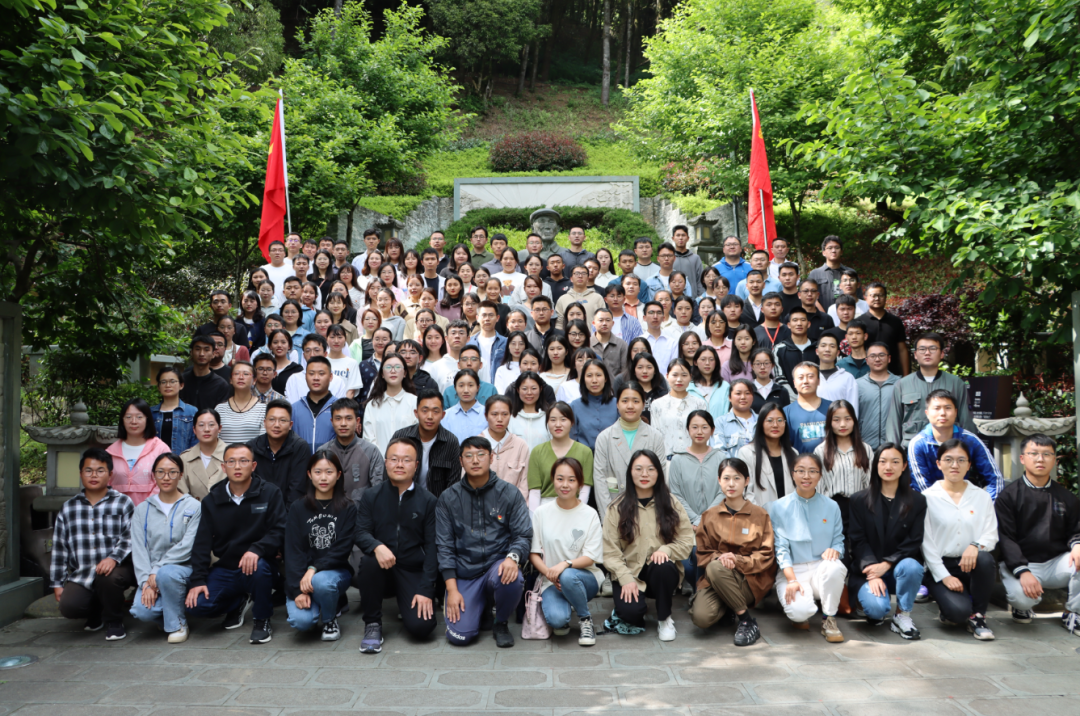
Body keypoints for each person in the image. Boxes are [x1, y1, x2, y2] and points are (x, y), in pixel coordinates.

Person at [185, 443, 287, 644]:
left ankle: (262, 619)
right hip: (227, 567)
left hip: (260, 564)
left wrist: (257, 549)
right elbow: (202, 543)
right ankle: (238, 602)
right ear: (223, 467)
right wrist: (198, 580)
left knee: (259, 569)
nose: (237, 466)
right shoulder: (212, 500)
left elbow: (280, 529)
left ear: (253, 465)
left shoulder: (269, 492)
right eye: (231, 462)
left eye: (243, 461)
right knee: (196, 605)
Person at [438, 436, 532, 647]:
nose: (475, 460)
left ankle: (501, 622)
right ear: (461, 461)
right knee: (459, 637)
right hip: (465, 572)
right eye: (469, 456)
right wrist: (452, 590)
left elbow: (523, 534)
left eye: (481, 455)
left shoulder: (509, 493)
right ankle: (482, 607)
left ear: (491, 458)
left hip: (497, 566)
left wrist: (513, 557)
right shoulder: (448, 498)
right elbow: (444, 546)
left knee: (512, 576)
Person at [355, 436, 440, 653]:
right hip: (381, 567)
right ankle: (372, 624)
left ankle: (407, 602)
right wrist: (377, 546)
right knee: (369, 562)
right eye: (394, 459)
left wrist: (426, 589)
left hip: (412, 570)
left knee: (422, 628)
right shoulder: (371, 496)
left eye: (406, 460)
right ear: (386, 462)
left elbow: (433, 547)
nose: (399, 464)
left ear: (416, 465)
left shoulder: (428, 501)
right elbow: (360, 532)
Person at [603, 449, 694, 640]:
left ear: (659, 473)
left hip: (660, 573)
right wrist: (625, 577)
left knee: (663, 565)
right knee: (631, 614)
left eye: (651, 469)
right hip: (629, 572)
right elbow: (610, 552)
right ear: (630, 472)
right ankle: (630, 606)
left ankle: (664, 618)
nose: (644, 474)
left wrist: (666, 549)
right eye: (639, 469)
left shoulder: (671, 504)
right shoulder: (616, 507)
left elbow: (686, 541)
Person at [995, 434, 1080, 633]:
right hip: (1021, 563)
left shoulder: (1066, 497)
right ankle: (1022, 607)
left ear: (1054, 460)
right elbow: (1006, 538)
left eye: (1046, 454)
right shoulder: (1009, 496)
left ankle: (1073, 612)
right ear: (1022, 458)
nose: (1040, 459)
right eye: (1033, 453)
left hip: (1055, 563)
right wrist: (1022, 571)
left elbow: (1076, 529)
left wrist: (1077, 544)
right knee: (1022, 599)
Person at [50, 448, 136, 640]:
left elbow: (130, 536)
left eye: (100, 470)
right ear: (81, 474)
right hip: (84, 572)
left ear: (110, 475)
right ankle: (96, 610)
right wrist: (57, 583)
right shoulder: (69, 508)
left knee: (108, 578)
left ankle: (114, 621)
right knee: (69, 606)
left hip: (118, 568)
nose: (94, 475)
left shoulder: (123, 502)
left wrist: (113, 558)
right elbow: (59, 548)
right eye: (88, 470)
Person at [690, 457, 776, 646]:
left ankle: (746, 621)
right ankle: (733, 607)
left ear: (746, 481)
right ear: (719, 481)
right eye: (726, 478)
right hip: (717, 577)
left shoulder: (760, 515)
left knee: (715, 567)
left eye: (737, 478)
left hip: (749, 580)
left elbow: (766, 555)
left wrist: (737, 560)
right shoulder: (709, 516)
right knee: (701, 618)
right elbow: (702, 553)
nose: (731, 484)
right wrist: (722, 558)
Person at [847, 443, 927, 640]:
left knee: (912, 566)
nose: (888, 467)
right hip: (868, 570)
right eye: (883, 461)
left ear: (904, 466)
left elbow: (913, 541)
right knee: (876, 610)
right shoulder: (859, 500)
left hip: (899, 569)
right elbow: (857, 540)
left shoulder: (917, 501)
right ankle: (870, 604)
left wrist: (887, 564)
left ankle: (902, 615)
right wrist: (872, 572)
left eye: (895, 462)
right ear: (876, 465)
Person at [921, 439, 999, 640]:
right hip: (941, 565)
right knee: (957, 613)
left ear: (969, 465)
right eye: (948, 459)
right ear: (938, 464)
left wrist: (975, 546)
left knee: (985, 558)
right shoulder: (927, 497)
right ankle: (954, 609)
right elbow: (926, 543)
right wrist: (944, 576)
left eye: (961, 460)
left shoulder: (981, 497)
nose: (954, 465)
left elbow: (991, 534)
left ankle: (978, 616)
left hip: (972, 564)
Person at [767, 453, 847, 643]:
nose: (806, 476)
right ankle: (803, 608)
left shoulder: (832, 506)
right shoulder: (778, 507)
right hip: (794, 570)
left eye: (812, 471)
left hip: (821, 569)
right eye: (801, 471)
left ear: (820, 475)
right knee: (799, 613)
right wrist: (791, 579)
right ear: (792, 474)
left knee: (835, 566)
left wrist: (835, 550)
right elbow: (781, 549)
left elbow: (838, 540)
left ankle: (829, 618)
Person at [529, 457, 605, 645]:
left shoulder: (590, 514)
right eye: (560, 479)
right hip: (551, 580)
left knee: (568, 575)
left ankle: (585, 619)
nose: (565, 485)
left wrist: (565, 565)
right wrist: (549, 573)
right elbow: (534, 553)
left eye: (571, 480)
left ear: (580, 483)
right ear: (553, 480)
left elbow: (591, 557)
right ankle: (567, 605)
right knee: (557, 621)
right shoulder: (541, 512)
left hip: (584, 578)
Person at [283, 451, 356, 641]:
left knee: (322, 582)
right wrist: (297, 590)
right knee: (302, 622)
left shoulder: (348, 508)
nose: (323, 477)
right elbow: (292, 551)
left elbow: (342, 549)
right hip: (302, 577)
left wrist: (314, 569)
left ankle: (330, 619)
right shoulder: (297, 508)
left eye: (329, 472)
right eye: (318, 472)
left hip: (335, 572)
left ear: (338, 475)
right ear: (309, 474)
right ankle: (330, 600)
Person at [129, 453, 201, 643]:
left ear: (181, 474)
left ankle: (178, 624)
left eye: (172, 472)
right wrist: (145, 583)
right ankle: (171, 612)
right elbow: (139, 549)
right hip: (151, 576)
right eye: (160, 472)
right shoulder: (142, 509)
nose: (166, 477)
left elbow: (187, 546)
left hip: (182, 570)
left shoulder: (194, 506)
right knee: (141, 611)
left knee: (167, 574)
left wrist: (158, 570)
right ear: (154, 475)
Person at [666, 410, 724, 591]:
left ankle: (702, 594)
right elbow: (675, 494)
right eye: (695, 427)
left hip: (715, 521)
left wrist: (704, 519)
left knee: (708, 555)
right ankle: (699, 589)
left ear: (712, 430)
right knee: (688, 559)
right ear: (688, 430)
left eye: (704, 427)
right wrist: (694, 519)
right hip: (686, 522)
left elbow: (723, 491)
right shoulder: (677, 459)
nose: (699, 432)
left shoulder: (721, 458)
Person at [887, 333, 977, 450]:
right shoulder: (902, 384)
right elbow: (894, 422)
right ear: (915, 354)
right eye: (922, 349)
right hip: (912, 449)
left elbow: (966, 420)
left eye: (933, 348)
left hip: (948, 449)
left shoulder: (956, 383)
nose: (927, 353)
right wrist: (893, 452)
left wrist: (968, 451)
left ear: (942, 354)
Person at [909, 389, 1002, 499]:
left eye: (948, 408)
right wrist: (945, 506)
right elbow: (921, 486)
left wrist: (988, 505)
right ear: (927, 413)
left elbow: (995, 479)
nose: (943, 413)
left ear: (956, 412)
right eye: (937, 408)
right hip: (931, 505)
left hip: (966, 500)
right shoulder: (918, 444)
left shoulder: (970, 440)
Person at [594, 384, 667, 521]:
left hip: (649, 511)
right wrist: (608, 518)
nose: (630, 406)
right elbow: (600, 480)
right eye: (625, 401)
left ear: (643, 404)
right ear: (617, 404)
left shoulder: (655, 436)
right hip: (615, 509)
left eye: (636, 401)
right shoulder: (604, 437)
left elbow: (661, 476)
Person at [814, 400, 873, 535]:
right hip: (832, 509)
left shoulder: (865, 449)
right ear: (829, 422)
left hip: (860, 508)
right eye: (836, 420)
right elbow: (819, 488)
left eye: (847, 419)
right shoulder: (821, 451)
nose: (842, 424)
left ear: (854, 421)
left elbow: (870, 484)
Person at [390, 390, 461, 499]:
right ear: (416, 413)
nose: (430, 416)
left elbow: (453, 486)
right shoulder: (401, 437)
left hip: (437, 505)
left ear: (443, 415)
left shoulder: (451, 442)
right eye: (425, 411)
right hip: (402, 501)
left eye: (435, 411)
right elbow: (389, 474)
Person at [317, 398, 384, 503]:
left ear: (357, 421)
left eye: (348, 418)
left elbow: (378, 490)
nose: (343, 423)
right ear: (332, 421)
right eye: (338, 418)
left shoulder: (371, 451)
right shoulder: (323, 451)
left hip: (362, 512)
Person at [247, 399, 311, 508]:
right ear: (264, 423)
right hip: (258, 511)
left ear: (290, 425)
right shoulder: (252, 447)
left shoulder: (300, 447)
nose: (276, 425)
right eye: (272, 419)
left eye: (282, 420)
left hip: (289, 511)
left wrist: (287, 516)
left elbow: (297, 489)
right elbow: (250, 486)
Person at [107, 398, 171, 506]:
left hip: (153, 509)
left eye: (139, 417)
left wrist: (146, 508)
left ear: (147, 419)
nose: (133, 421)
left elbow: (167, 480)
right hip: (117, 510)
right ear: (122, 420)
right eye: (128, 417)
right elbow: (106, 483)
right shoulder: (111, 451)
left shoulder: (160, 449)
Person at [739, 403, 797, 507]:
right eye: (770, 420)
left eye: (780, 420)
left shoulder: (793, 453)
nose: (775, 425)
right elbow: (746, 492)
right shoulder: (747, 453)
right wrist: (761, 514)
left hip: (790, 514)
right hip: (760, 513)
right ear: (761, 423)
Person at [651, 358, 709, 457]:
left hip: (693, 458)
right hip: (666, 458)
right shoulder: (657, 404)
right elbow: (655, 436)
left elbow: (705, 433)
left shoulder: (700, 404)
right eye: (675, 375)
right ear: (667, 376)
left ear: (690, 377)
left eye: (684, 375)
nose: (679, 379)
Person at [362, 354, 418, 454]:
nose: (393, 371)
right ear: (382, 374)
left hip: (408, 460)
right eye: (388, 367)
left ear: (405, 373)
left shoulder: (414, 402)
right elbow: (369, 440)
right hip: (379, 461)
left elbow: (418, 437)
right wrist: (382, 460)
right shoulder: (372, 405)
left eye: (397, 367)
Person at [851, 282, 910, 376]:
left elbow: (902, 350)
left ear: (886, 297)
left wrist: (906, 375)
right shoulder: (859, 322)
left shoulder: (896, 322)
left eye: (881, 295)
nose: (877, 298)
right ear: (866, 297)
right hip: (865, 374)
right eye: (873, 295)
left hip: (893, 374)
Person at [481, 395, 531, 499]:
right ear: (486, 416)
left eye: (505, 414)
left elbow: (524, 484)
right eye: (494, 414)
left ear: (510, 415)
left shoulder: (520, 445)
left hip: (513, 505)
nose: (500, 419)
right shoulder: (475, 445)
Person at [568, 359, 619, 451]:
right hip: (584, 456)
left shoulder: (617, 404)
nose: (594, 380)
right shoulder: (575, 406)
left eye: (598, 375)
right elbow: (572, 438)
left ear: (606, 378)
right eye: (589, 376)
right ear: (583, 379)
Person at [856, 342, 899, 450]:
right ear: (867, 360)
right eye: (873, 356)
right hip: (865, 447)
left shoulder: (900, 384)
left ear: (889, 358)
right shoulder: (857, 385)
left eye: (881, 355)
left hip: (893, 446)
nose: (877, 359)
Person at [290, 356, 338, 451]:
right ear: (305, 376)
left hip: (330, 459)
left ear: (330, 377)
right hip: (301, 460)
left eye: (321, 374)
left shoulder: (339, 408)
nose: (316, 378)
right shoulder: (294, 409)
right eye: (311, 374)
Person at [214, 362, 267, 444]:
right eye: (236, 373)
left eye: (246, 374)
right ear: (231, 380)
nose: (241, 377)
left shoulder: (263, 409)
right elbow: (215, 440)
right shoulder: (219, 409)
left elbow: (263, 441)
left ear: (254, 380)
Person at [179, 408, 226, 499]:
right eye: (201, 425)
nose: (206, 429)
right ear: (194, 429)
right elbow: (181, 493)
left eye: (211, 425)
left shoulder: (231, 456)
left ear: (219, 428)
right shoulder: (185, 458)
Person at [785, 363, 832, 454]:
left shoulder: (832, 408)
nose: (805, 381)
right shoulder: (786, 413)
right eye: (800, 377)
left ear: (818, 381)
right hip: (800, 462)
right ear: (794, 383)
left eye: (810, 377)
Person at [151, 366, 198, 455]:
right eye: (163, 382)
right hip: (156, 461)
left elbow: (196, 442)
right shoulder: (151, 413)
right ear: (158, 387)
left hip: (183, 461)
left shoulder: (192, 412)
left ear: (181, 385)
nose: (168, 385)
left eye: (172, 381)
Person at [181, 336, 231, 411]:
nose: (201, 354)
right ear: (191, 352)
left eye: (206, 350)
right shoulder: (181, 380)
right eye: (197, 349)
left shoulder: (221, 385)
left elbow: (222, 413)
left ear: (213, 354)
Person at [712, 379, 758, 459]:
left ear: (753, 397)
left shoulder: (762, 420)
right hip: (732, 466)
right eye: (738, 393)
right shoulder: (721, 422)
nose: (743, 397)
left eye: (747, 393)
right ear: (730, 397)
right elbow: (719, 451)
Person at [772, 308, 817, 387]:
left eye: (803, 320)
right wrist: (793, 394)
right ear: (789, 325)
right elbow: (779, 378)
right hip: (789, 394)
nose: (799, 323)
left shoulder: (818, 347)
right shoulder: (779, 349)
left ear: (808, 324)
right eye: (795, 320)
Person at [814, 333, 859, 413]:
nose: (827, 349)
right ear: (817, 351)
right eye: (823, 345)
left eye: (832, 346)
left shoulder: (847, 378)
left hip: (839, 420)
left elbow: (853, 408)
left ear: (838, 353)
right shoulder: (810, 377)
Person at [808, 235, 854, 309]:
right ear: (823, 253)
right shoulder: (815, 274)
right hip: (821, 315)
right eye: (830, 248)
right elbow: (810, 297)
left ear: (841, 252)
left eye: (837, 248)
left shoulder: (851, 273)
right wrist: (823, 314)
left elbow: (857, 297)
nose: (833, 250)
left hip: (846, 314)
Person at [507, 372, 552, 449]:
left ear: (540, 389)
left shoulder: (549, 416)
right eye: (524, 389)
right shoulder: (510, 417)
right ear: (518, 390)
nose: (529, 392)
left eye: (534, 388)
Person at [442, 370, 489, 444]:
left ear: (478, 387)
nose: (466, 390)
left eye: (470, 385)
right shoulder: (445, 416)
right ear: (455, 388)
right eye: (461, 386)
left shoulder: (487, 414)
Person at [468, 301, 507, 384]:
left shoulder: (505, 343)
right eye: (484, 315)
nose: (487, 319)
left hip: (498, 386)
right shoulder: (469, 343)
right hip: (475, 386)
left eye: (491, 315)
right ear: (477, 318)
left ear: (497, 318)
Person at [640, 301, 679, 372]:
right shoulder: (639, 342)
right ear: (644, 318)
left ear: (663, 318)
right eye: (651, 312)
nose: (655, 316)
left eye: (659, 313)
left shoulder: (672, 343)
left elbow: (674, 368)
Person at [263, 240, 295, 305]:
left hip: (288, 305)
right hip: (267, 306)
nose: (277, 253)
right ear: (269, 253)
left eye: (280, 250)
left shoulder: (293, 269)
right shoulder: (263, 269)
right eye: (274, 250)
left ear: (284, 253)